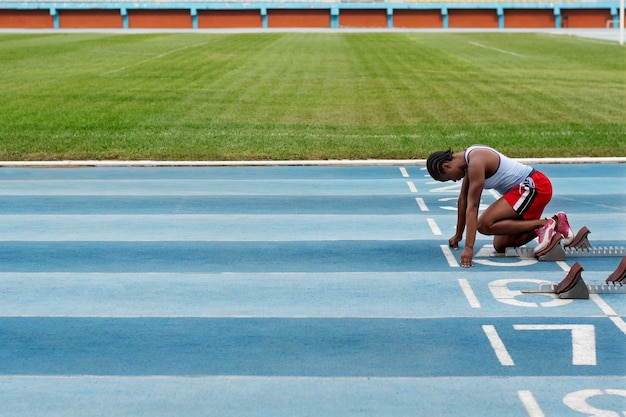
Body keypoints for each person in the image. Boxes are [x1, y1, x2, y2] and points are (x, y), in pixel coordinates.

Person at [426, 145, 574, 268]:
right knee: (502, 245)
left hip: (535, 186)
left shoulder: (475, 162)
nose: (454, 181)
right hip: (525, 192)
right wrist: (458, 235)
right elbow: (463, 201)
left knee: (484, 224)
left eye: (448, 178)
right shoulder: (467, 164)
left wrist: (469, 248)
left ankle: (545, 224)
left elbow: (473, 206)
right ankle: (555, 223)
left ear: (447, 165)